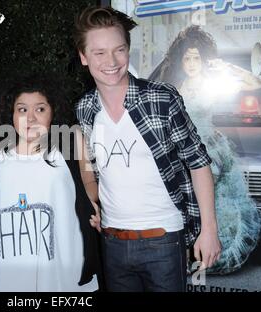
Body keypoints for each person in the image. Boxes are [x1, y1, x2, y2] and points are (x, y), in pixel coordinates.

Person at [73, 6, 221, 291]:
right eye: (99, 52)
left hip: (164, 239)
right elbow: (89, 169)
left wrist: (209, 230)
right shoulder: (84, 109)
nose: (111, 61)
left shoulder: (161, 98)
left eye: (119, 50)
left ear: (128, 50)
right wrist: (92, 200)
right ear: (83, 56)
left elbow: (198, 163)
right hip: (113, 243)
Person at [0, 74, 102, 292]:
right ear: (12, 113)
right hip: (13, 271)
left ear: (53, 111)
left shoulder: (70, 141)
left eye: (40, 109)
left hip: (63, 270)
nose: (31, 118)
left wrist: (93, 203)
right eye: (22, 109)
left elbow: (89, 182)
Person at [157, 26, 261, 274]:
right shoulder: (173, 84)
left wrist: (228, 69)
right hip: (180, 150)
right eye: (187, 57)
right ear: (179, 59)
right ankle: (184, 255)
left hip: (211, 149)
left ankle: (210, 255)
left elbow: (255, 83)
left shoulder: (213, 81)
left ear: (204, 59)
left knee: (216, 204)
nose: (192, 63)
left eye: (196, 57)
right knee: (182, 204)